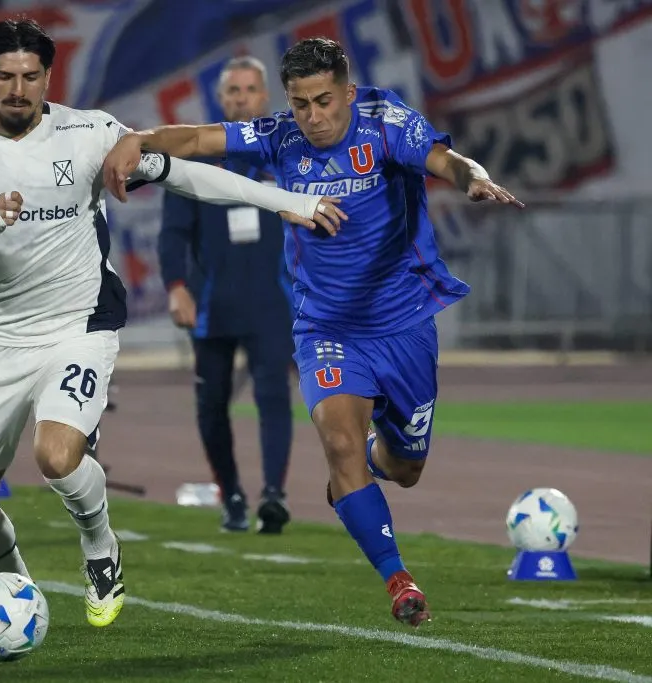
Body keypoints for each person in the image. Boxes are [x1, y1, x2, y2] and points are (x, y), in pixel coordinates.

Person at [0, 18, 343, 629]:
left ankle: (100, 546)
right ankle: (14, 594)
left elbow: (191, 175)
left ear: (47, 78)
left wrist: (291, 203)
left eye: (31, 76)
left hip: (79, 322)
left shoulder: (90, 133)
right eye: (5, 76)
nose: (18, 89)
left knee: (58, 455)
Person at [102, 37, 523, 628]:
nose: (314, 117)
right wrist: (138, 141)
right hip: (326, 326)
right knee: (339, 443)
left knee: (405, 468)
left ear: (348, 92)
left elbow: (446, 161)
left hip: (402, 325)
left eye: (324, 101)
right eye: (300, 103)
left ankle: (369, 471)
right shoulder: (281, 136)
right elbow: (199, 139)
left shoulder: (385, 124)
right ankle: (398, 579)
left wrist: (471, 179)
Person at [158, 56, 293, 534]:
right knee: (211, 404)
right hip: (211, 303)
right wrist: (176, 287)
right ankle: (232, 495)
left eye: (250, 89)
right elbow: (173, 233)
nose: (240, 98)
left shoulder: (286, 153)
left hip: (273, 303)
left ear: (265, 97)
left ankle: (273, 496)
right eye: (232, 90)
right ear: (220, 98)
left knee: (274, 395)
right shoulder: (193, 159)